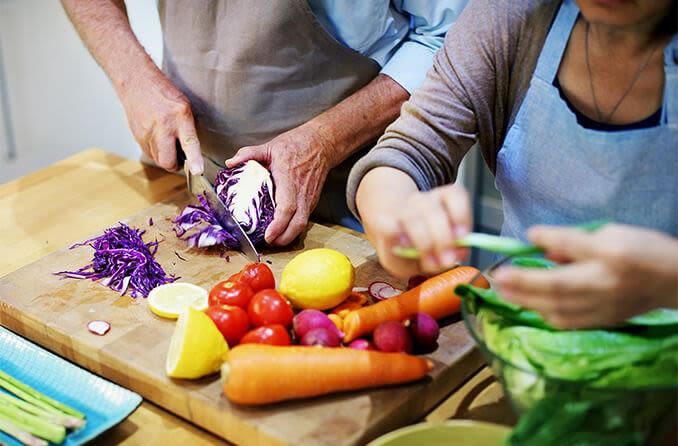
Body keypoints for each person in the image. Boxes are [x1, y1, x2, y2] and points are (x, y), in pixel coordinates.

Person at [348, 0, 678, 329]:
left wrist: (667, 279)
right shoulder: (511, 14)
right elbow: (409, 152)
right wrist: (395, 214)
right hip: (518, 337)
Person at [61, 0, 467, 245]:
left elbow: (451, 38)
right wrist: (134, 80)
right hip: (189, 175)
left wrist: (325, 141)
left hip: (367, 192)